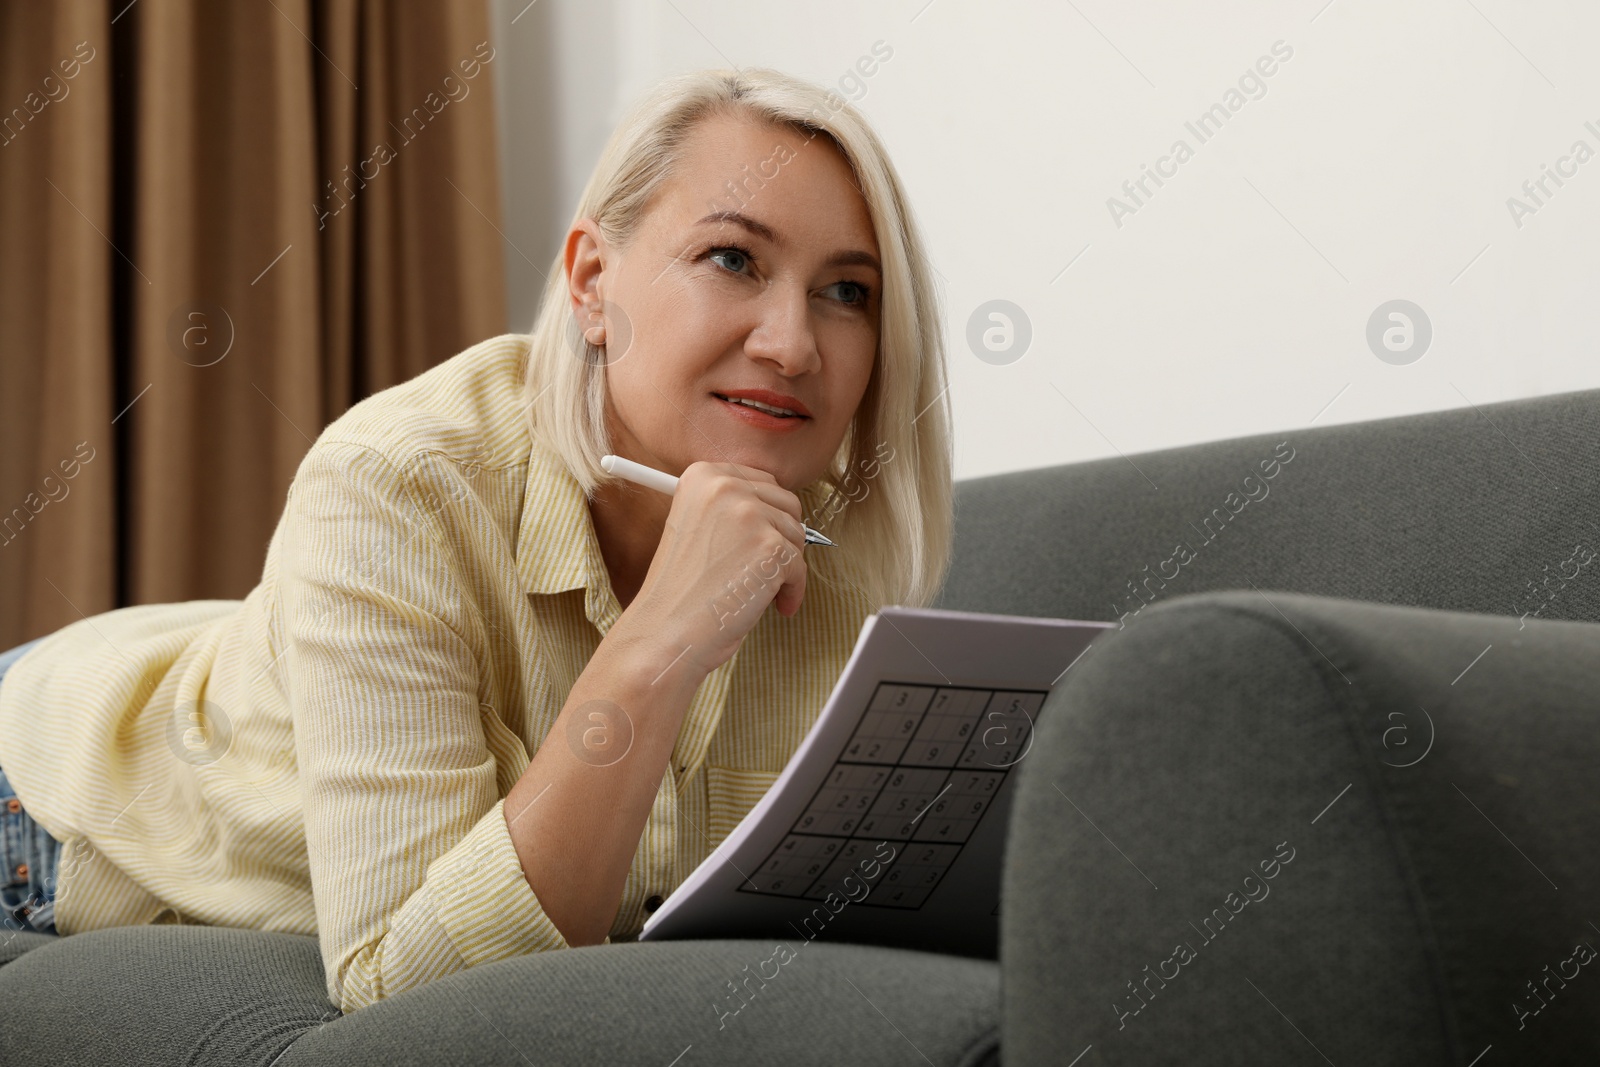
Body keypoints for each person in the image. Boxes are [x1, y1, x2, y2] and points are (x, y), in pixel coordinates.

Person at [0, 66, 952, 1013]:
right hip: (42, 805)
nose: (793, 343)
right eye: (733, 260)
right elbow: (408, 989)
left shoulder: (840, 551)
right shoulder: (398, 477)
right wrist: (662, 638)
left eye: (847, 292)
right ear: (591, 285)